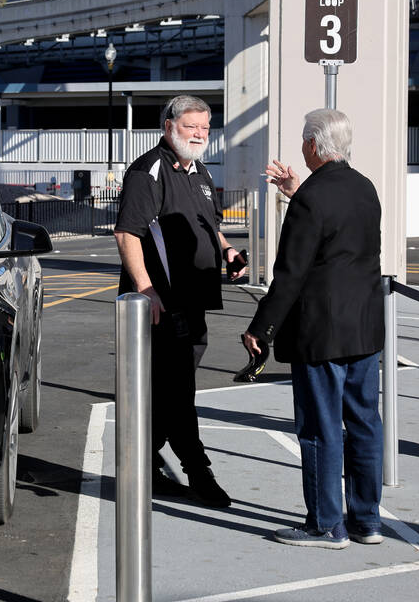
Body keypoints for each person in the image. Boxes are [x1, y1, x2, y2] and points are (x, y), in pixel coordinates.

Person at [241, 109, 384, 549]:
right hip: (364, 327)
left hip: (320, 331)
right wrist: (294, 191)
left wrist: (260, 327)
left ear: (313, 145)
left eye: (305, 140)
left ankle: (325, 524)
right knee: (364, 424)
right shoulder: (364, 187)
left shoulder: (311, 199)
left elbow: (290, 273)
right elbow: (336, 232)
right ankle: (366, 521)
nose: (302, 146)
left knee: (320, 427)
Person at [113, 94, 243, 508]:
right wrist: (146, 289)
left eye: (205, 128)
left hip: (196, 301)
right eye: (192, 127)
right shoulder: (147, 172)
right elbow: (127, 233)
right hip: (162, 306)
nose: (201, 135)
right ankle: (199, 472)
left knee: (167, 392)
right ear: (169, 127)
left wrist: (226, 251)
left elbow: (209, 224)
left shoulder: (200, 171)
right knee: (178, 392)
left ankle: (144, 466)